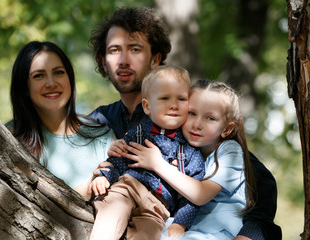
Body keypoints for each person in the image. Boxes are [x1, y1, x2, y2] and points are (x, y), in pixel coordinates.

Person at [88, 6, 281, 240]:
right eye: (114, 50)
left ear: (156, 59)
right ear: (103, 60)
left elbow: (257, 187)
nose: (123, 60)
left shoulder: (185, 123)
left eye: (135, 49)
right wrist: (101, 172)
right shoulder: (99, 121)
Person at [121, 80, 256, 239]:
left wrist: (158, 164)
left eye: (210, 118)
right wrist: (121, 147)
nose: (197, 124)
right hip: (186, 228)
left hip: (215, 233)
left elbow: (201, 194)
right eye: (191, 113)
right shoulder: (182, 148)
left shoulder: (230, 150)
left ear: (227, 129)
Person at [89, 66, 205, 240]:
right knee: (111, 214)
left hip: (157, 207)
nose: (173, 105)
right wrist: (105, 176)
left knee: (148, 234)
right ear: (147, 106)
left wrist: (180, 223)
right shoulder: (139, 133)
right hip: (128, 187)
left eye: (181, 99)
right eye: (165, 98)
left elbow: (191, 194)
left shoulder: (190, 149)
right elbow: (120, 159)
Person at [6, 41, 114, 200]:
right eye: (38, 75)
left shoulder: (102, 137)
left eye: (58, 72)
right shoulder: (11, 138)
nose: (51, 83)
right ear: (24, 88)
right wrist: (89, 187)